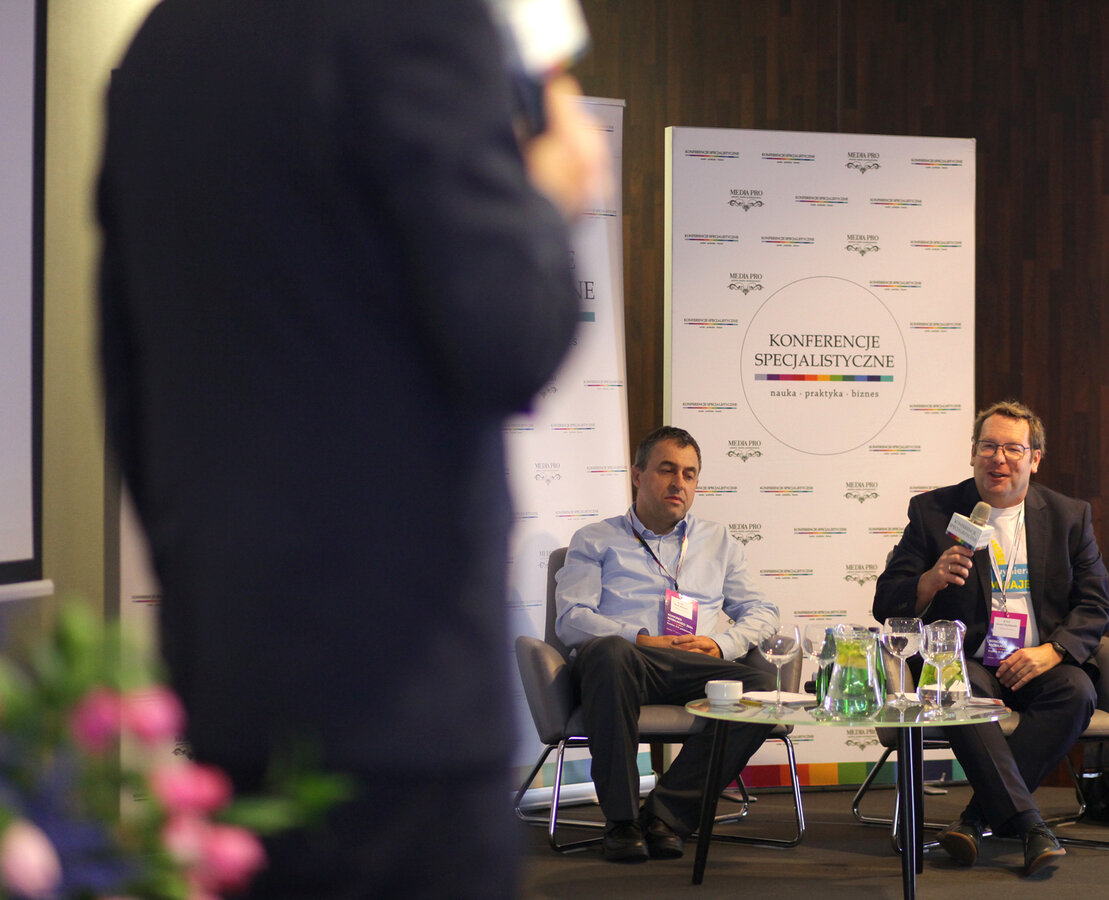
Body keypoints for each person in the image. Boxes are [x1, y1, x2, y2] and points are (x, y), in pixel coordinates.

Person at [98, 1, 607, 896]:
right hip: (400, 700)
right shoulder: (420, 23)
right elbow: (510, 340)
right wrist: (555, 188)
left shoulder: (162, 46)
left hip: (228, 682)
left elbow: (128, 371)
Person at [873, 400, 1109, 877]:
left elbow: (1095, 605)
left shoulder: (1068, 516)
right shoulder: (934, 511)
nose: (998, 459)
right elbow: (886, 602)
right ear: (972, 453)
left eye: (1012, 449)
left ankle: (975, 818)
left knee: (1078, 690)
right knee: (957, 685)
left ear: (1034, 458)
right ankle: (1029, 826)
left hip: (1037, 662)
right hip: (963, 663)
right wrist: (929, 581)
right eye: (988, 447)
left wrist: (1053, 652)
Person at [554, 426, 780, 863]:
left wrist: (720, 644)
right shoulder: (595, 538)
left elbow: (762, 610)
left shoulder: (719, 541)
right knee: (610, 651)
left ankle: (666, 817)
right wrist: (639, 639)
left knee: (762, 689)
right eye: (667, 470)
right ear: (638, 475)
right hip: (625, 665)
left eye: (689, 474)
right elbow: (572, 618)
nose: (679, 483)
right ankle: (622, 822)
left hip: (694, 667)